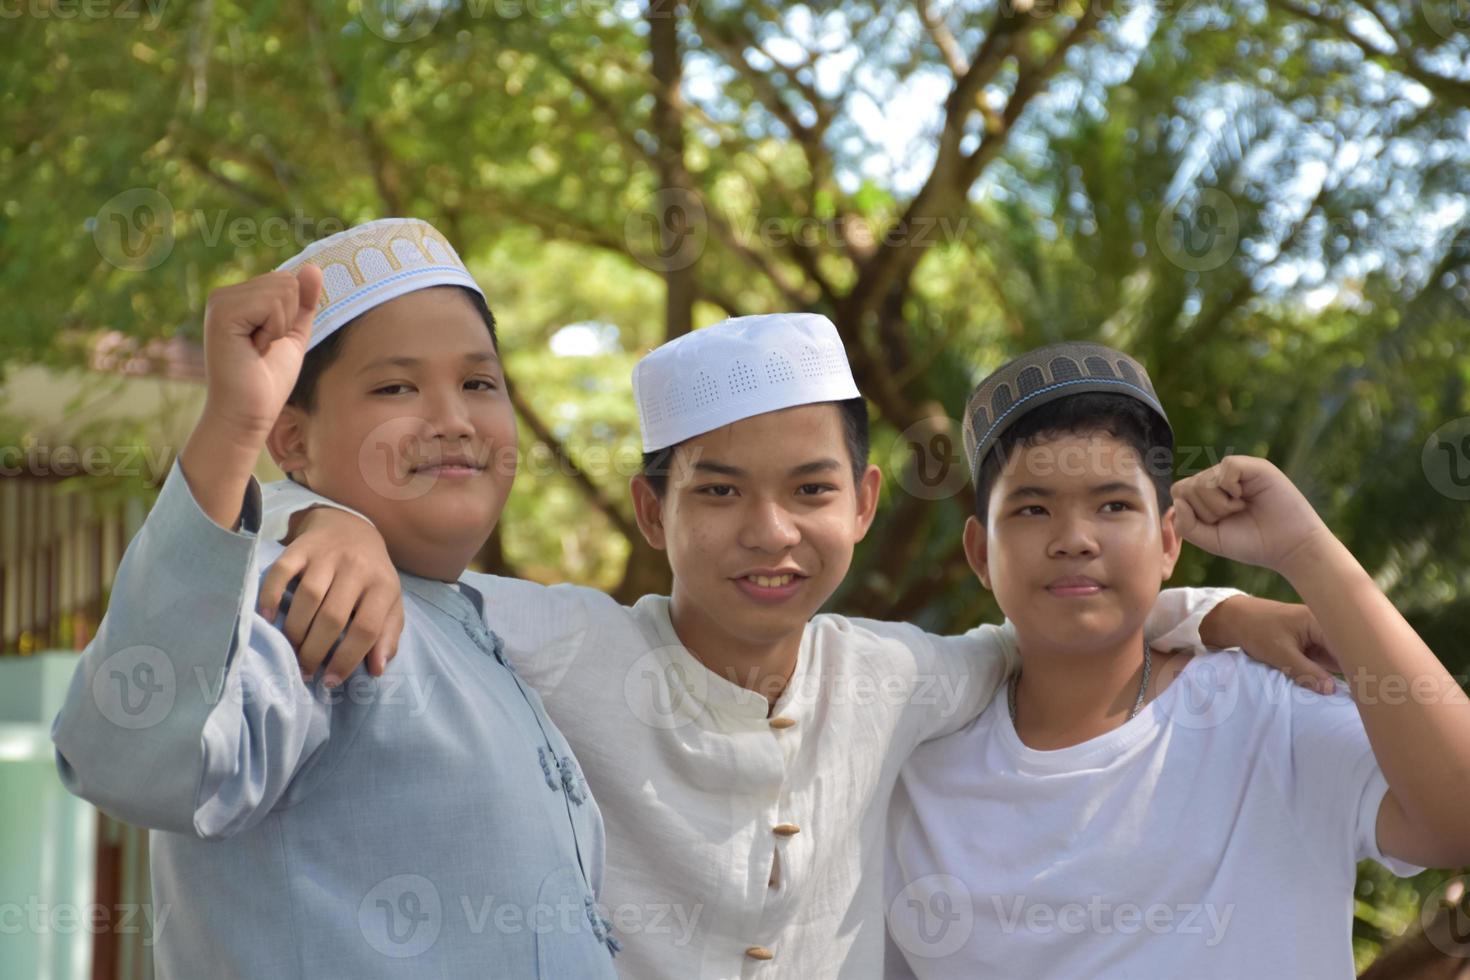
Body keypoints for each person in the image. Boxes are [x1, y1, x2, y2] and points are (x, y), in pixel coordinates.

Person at [261, 316, 1327, 977]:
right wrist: (326, 516)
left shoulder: (899, 672)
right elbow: (425, 594)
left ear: (864, 501)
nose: (770, 533)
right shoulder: (564, 643)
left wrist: (1214, 611)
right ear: (649, 509)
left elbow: (1044, 624)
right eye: (718, 490)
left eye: (811, 489)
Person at [51, 218, 619, 979]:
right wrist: (231, 429)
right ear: (291, 442)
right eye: (396, 386)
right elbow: (131, 756)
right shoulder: (315, 598)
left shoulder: (471, 622)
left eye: (479, 383)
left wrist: (313, 512)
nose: (452, 419)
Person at [885, 342, 1470, 978]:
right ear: (979, 554)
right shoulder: (915, 771)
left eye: (1114, 505)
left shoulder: (1269, 709)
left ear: (1168, 541)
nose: (1075, 540)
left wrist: (1304, 548)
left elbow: (1457, 820)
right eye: (1032, 508)